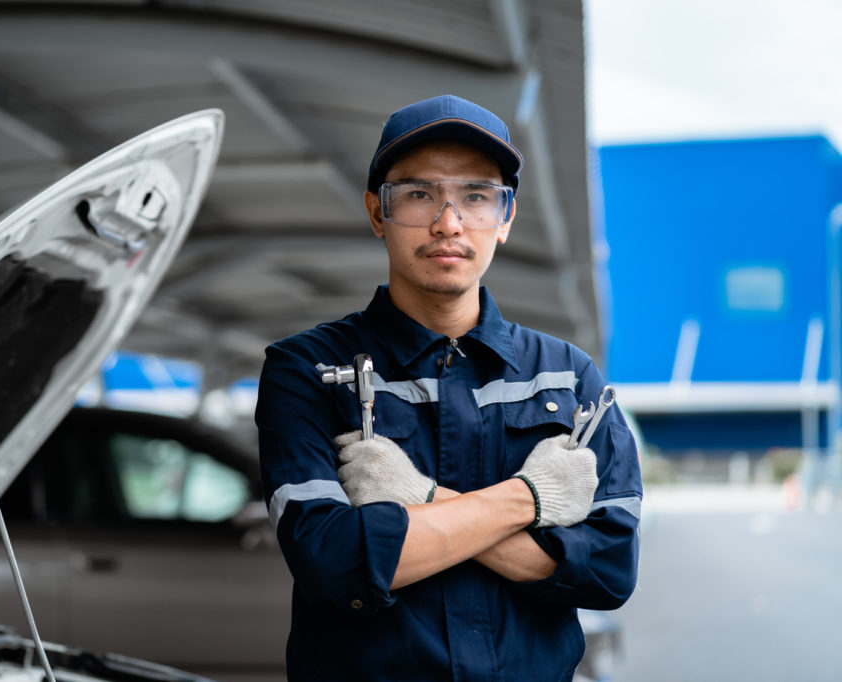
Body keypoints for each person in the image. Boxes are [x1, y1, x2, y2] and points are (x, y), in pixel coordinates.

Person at [255, 94, 642, 681]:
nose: (448, 223)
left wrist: (412, 502)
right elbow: (333, 562)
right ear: (376, 212)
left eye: (476, 197)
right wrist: (532, 499)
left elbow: (608, 571)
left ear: (505, 218)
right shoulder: (306, 368)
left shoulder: (567, 377)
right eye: (419, 194)